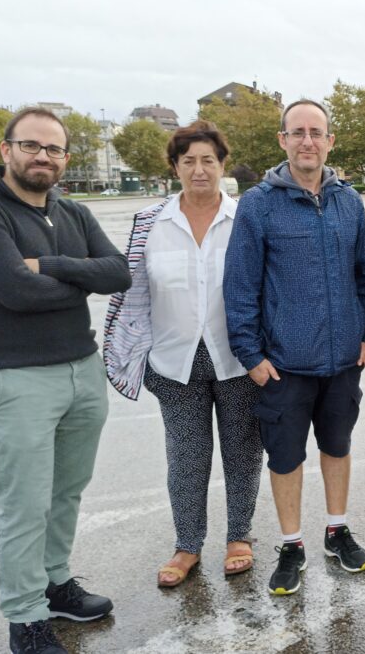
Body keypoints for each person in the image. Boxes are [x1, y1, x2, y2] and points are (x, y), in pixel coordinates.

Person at [0, 107, 130, 654]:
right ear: (6, 150)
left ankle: (55, 584)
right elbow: (15, 292)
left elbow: (119, 271)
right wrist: (80, 274)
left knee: (66, 492)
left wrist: (48, 265)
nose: (42, 157)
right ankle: (24, 615)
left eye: (53, 149)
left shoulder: (70, 210)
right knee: (25, 502)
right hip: (15, 377)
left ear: (65, 160)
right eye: (31, 146)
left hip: (81, 370)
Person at [224, 99, 365, 595]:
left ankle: (337, 530)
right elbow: (240, 285)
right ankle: (291, 544)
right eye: (298, 132)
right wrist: (251, 355)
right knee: (285, 457)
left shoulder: (349, 201)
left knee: (337, 447)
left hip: (342, 361)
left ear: (330, 141)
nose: (307, 141)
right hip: (283, 364)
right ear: (283, 141)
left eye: (316, 132)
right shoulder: (258, 204)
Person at [104, 121, 263, 588]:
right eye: (188, 160)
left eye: (208, 160)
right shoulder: (150, 222)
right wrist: (140, 356)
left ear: (221, 166)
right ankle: (187, 545)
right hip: (174, 362)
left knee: (243, 452)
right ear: (175, 167)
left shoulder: (246, 219)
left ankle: (240, 536)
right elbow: (134, 292)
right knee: (186, 458)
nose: (199, 169)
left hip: (237, 358)